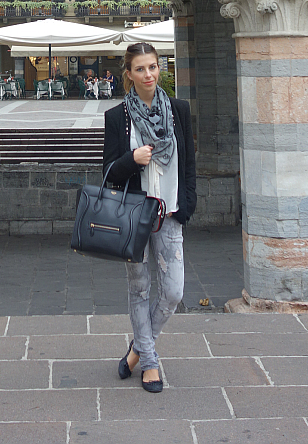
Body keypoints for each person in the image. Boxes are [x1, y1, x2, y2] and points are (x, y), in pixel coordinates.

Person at [103, 42, 196, 394]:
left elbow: (188, 162)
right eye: (140, 69)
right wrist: (133, 159)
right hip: (135, 217)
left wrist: (188, 204)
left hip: (170, 212)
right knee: (139, 288)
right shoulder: (117, 117)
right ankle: (151, 363)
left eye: (153, 67)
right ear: (129, 74)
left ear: (161, 69)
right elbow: (109, 172)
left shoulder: (178, 110)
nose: (148, 75)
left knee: (173, 291)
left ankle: (139, 348)